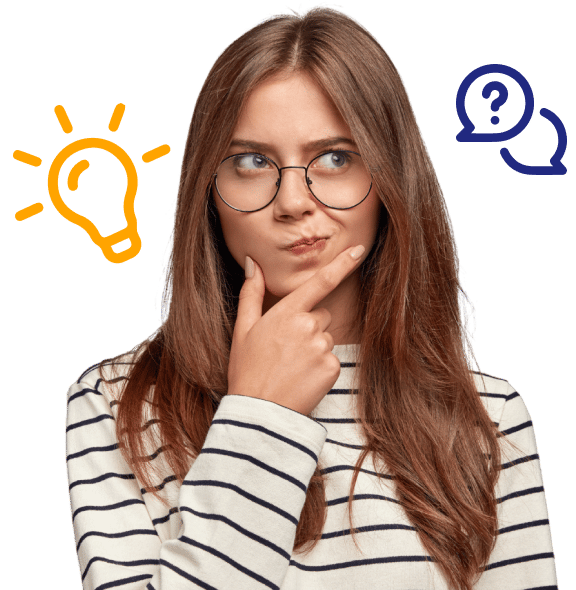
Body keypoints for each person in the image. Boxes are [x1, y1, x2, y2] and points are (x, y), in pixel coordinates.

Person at [64, 4, 559, 590]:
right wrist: (260, 417)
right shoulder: (117, 404)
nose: (293, 201)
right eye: (252, 161)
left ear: (391, 180)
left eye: (334, 158)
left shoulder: (488, 422)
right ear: (208, 190)